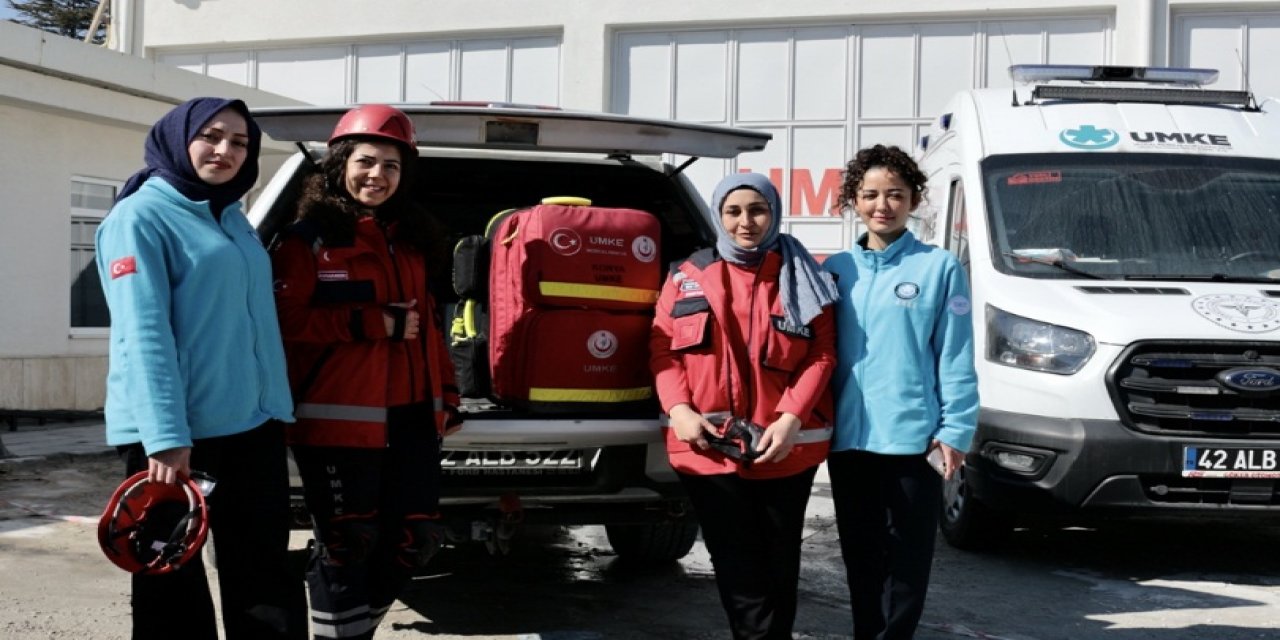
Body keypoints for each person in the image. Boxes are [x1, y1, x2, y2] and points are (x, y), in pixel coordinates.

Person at [95, 97, 306, 639]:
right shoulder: (140, 217)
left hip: (251, 427)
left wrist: (275, 408)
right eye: (211, 136)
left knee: (262, 573)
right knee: (172, 581)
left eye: (239, 142)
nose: (225, 150)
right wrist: (165, 438)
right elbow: (143, 335)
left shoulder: (231, 216)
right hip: (176, 437)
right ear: (178, 138)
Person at [270, 104, 462, 640]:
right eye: (366, 162)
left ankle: (350, 629)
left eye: (391, 167)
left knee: (413, 542)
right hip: (336, 425)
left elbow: (428, 330)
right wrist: (369, 322)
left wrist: (446, 394)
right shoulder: (304, 240)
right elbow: (283, 322)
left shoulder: (412, 241)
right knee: (348, 547)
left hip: (411, 421)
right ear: (339, 166)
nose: (377, 175)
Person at [650, 172, 840, 639]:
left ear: (774, 213)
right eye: (733, 212)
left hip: (785, 448)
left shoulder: (807, 277)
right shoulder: (685, 276)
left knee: (779, 563)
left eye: (757, 210)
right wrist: (679, 411)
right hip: (708, 449)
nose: (745, 222)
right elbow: (662, 351)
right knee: (737, 567)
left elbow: (822, 352)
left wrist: (791, 418)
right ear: (718, 216)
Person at [821, 144, 979, 640]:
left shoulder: (939, 268)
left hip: (915, 441)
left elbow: (955, 356)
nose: (881, 205)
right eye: (869, 195)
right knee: (860, 554)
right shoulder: (835, 269)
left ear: (914, 200)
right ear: (854, 199)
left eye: (895, 194)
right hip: (848, 441)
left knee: (908, 556)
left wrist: (955, 431)